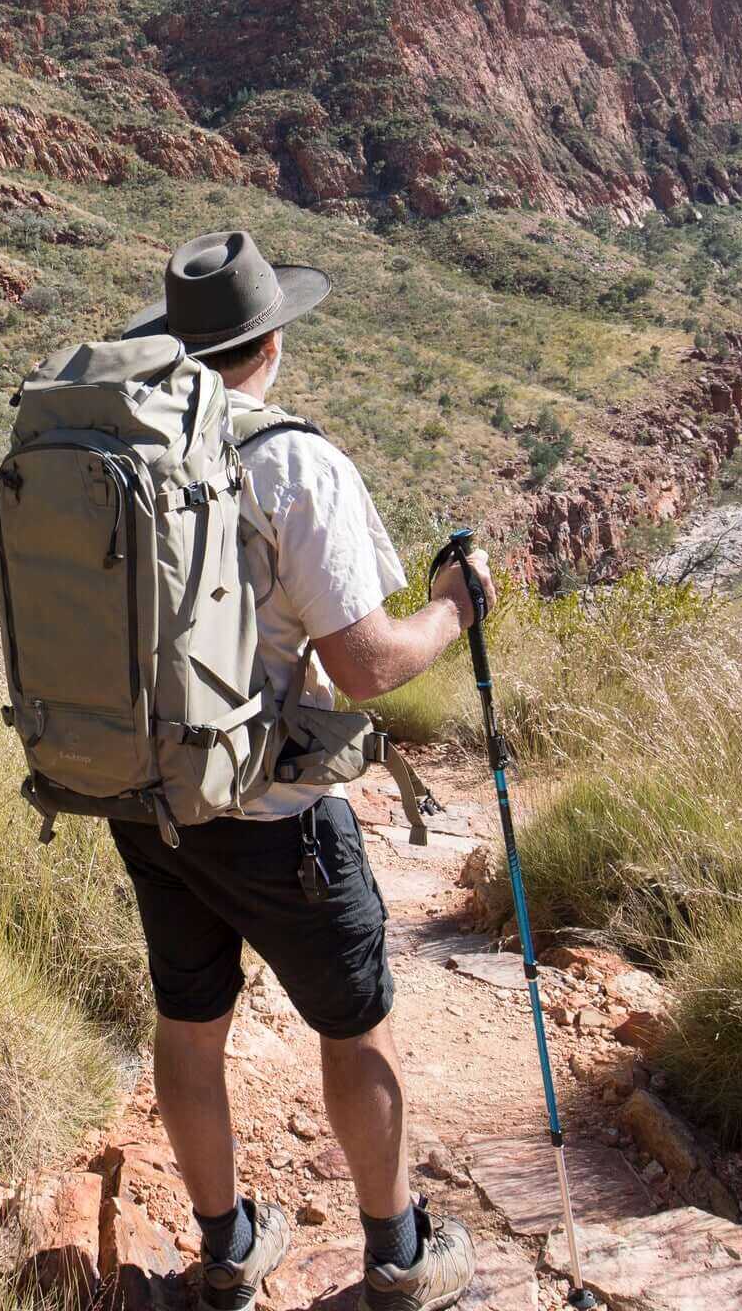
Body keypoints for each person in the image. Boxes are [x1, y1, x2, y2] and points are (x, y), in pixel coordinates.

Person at [112, 229, 493, 1311]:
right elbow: (366, 665)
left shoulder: (129, 448)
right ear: (270, 341)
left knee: (190, 1023)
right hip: (278, 815)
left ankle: (228, 1250)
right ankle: (399, 1256)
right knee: (352, 1021)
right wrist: (453, 611)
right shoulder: (290, 460)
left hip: (148, 802)